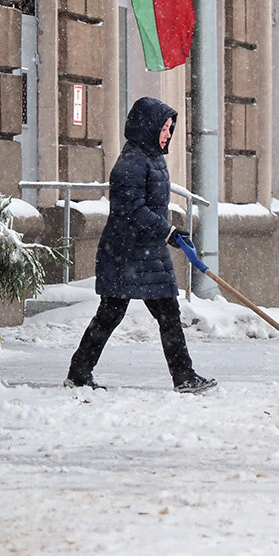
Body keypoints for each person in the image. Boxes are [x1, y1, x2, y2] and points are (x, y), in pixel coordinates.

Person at [64, 97, 216, 393]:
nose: (168, 134)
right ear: (148, 127)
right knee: (112, 314)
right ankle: (81, 373)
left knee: (164, 313)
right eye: (164, 128)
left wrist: (167, 233)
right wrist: (168, 231)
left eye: (171, 129)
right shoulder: (132, 162)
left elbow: (150, 207)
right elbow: (131, 209)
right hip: (126, 253)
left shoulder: (151, 158)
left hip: (146, 253)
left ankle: (182, 376)